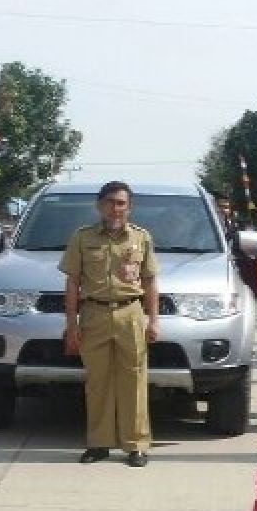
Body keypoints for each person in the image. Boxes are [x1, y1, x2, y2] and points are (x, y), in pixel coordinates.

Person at [61, 181, 159, 467]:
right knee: (98, 381)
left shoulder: (141, 238)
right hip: (94, 314)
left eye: (121, 203)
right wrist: (72, 323)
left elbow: (151, 281)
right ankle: (99, 443)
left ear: (129, 207)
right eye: (110, 202)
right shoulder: (82, 238)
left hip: (130, 313)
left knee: (135, 380)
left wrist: (153, 320)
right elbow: (72, 282)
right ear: (99, 205)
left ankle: (136, 445)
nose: (115, 209)